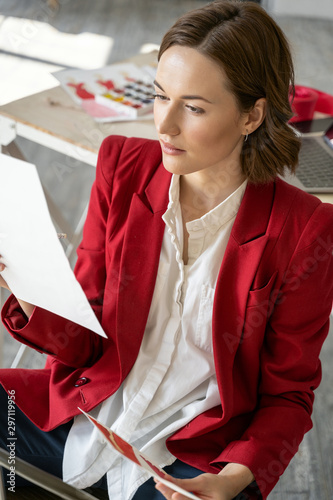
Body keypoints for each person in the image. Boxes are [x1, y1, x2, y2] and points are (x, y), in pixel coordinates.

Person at [0, 1, 332, 499]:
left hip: (190, 455)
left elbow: (287, 396)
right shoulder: (121, 165)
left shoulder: (305, 228)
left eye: (193, 107)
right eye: (160, 97)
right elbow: (88, 338)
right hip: (87, 412)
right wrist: (32, 293)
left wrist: (232, 479)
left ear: (252, 115)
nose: (165, 125)